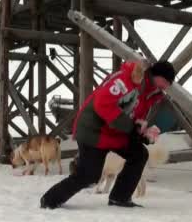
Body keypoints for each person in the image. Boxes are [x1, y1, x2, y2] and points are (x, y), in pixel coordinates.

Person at [40, 60, 175, 209]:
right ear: (155, 76)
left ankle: (120, 198)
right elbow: (102, 104)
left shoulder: (150, 93)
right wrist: (132, 127)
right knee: (89, 175)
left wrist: (141, 132)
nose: (166, 86)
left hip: (114, 134)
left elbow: (132, 116)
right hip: (93, 130)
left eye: (168, 83)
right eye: (165, 81)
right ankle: (49, 200)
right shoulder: (126, 80)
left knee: (139, 154)